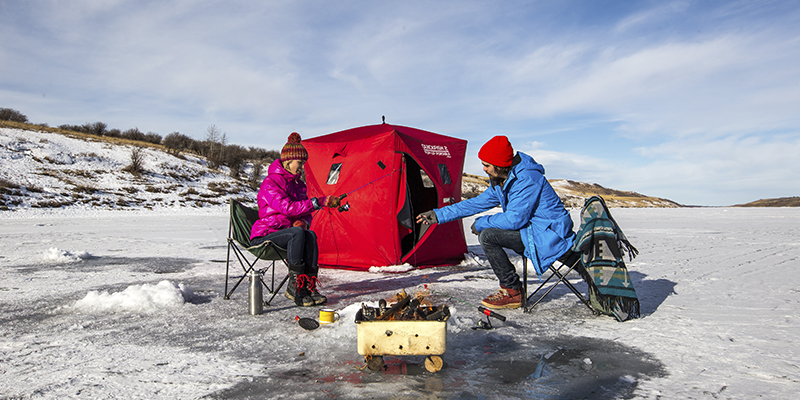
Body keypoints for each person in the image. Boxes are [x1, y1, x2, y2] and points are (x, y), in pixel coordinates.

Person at [416, 136, 575, 309]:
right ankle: (512, 289)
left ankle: (512, 291)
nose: (483, 169)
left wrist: (481, 223)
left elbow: (515, 219)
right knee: (489, 234)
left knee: (488, 236)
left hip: (551, 234)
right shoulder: (503, 181)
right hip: (534, 231)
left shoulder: (525, 179)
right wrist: (438, 215)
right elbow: (476, 203)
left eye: (487, 165)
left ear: (499, 164)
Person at [250, 132, 340, 307]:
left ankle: (308, 285)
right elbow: (287, 208)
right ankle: (295, 287)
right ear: (288, 161)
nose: (302, 167)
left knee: (310, 234)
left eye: (303, 164)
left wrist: (304, 221)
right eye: (300, 163)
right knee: (296, 233)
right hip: (266, 235)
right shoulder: (271, 183)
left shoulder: (299, 185)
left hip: (288, 234)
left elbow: (303, 213)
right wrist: (319, 202)